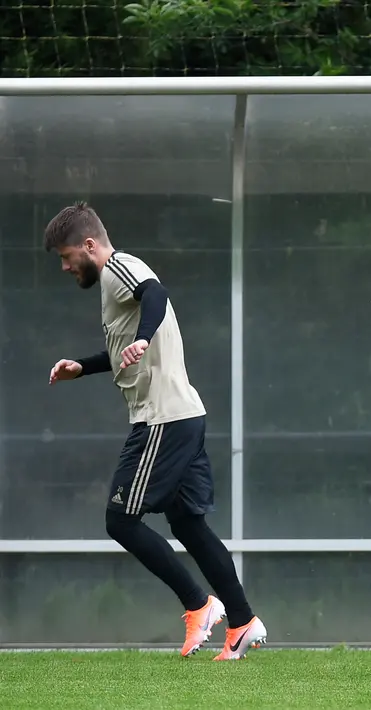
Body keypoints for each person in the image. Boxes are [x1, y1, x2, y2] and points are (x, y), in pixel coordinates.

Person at [44, 202, 265, 661]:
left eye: (66, 256)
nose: (65, 267)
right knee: (188, 523)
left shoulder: (119, 267)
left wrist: (143, 336)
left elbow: (155, 295)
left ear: (89, 245)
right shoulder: (112, 287)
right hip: (183, 415)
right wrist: (81, 367)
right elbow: (124, 350)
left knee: (120, 519)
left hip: (163, 419)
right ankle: (243, 623)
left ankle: (199, 604)